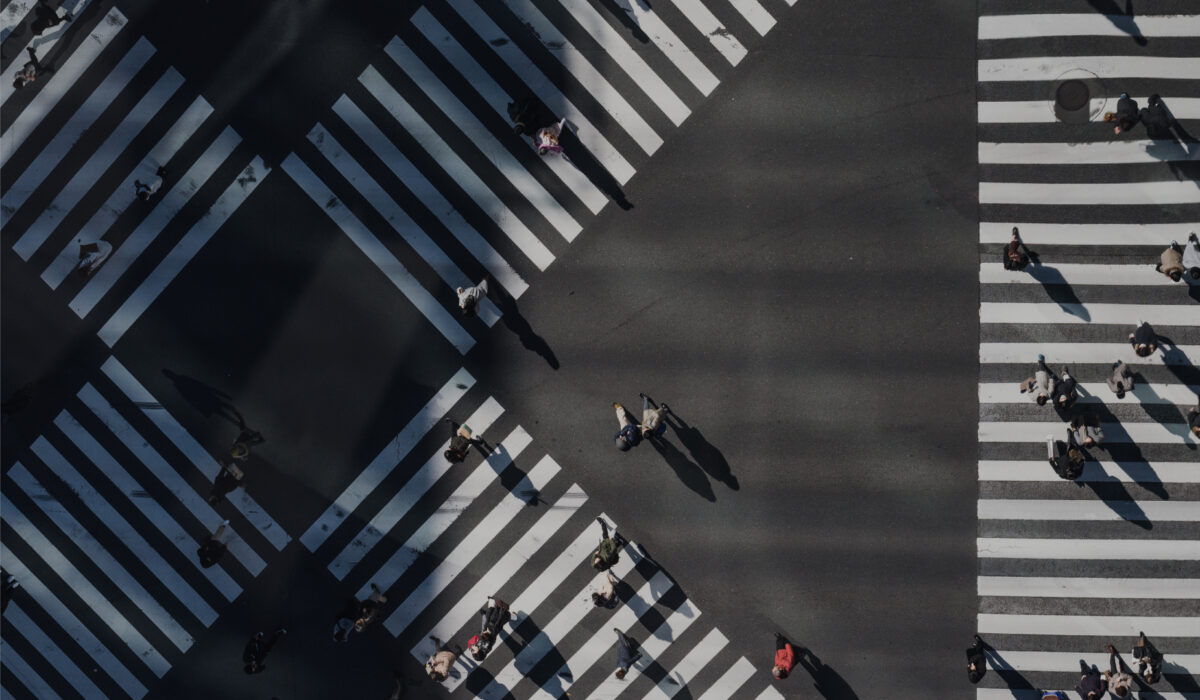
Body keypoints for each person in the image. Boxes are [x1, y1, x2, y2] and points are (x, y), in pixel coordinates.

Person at [467, 596, 510, 661]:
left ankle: (491, 608)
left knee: (488, 618)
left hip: (488, 632)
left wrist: (475, 645)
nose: (473, 650)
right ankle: (500, 609)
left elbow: (481, 640)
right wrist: (483, 634)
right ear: (478, 652)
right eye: (474, 652)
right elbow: (487, 638)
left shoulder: (482, 648)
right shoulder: (486, 646)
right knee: (493, 618)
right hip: (491, 631)